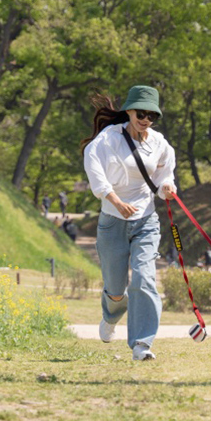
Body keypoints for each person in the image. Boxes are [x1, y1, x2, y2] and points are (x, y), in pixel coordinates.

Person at [80, 85, 177, 362]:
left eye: (152, 116)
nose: (146, 120)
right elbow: (94, 171)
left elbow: (164, 176)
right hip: (113, 221)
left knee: (145, 278)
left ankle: (142, 343)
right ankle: (111, 316)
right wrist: (116, 201)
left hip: (146, 220)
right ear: (129, 111)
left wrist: (167, 188)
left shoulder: (159, 144)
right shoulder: (108, 140)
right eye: (141, 114)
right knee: (115, 288)